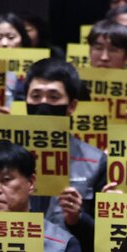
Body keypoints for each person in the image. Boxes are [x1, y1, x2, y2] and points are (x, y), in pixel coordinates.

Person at [19, 58, 109, 233]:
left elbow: (102, 233)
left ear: (72, 106)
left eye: (53, 97)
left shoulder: (96, 161)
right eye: (36, 96)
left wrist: (78, 218)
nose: (43, 104)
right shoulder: (4, 154)